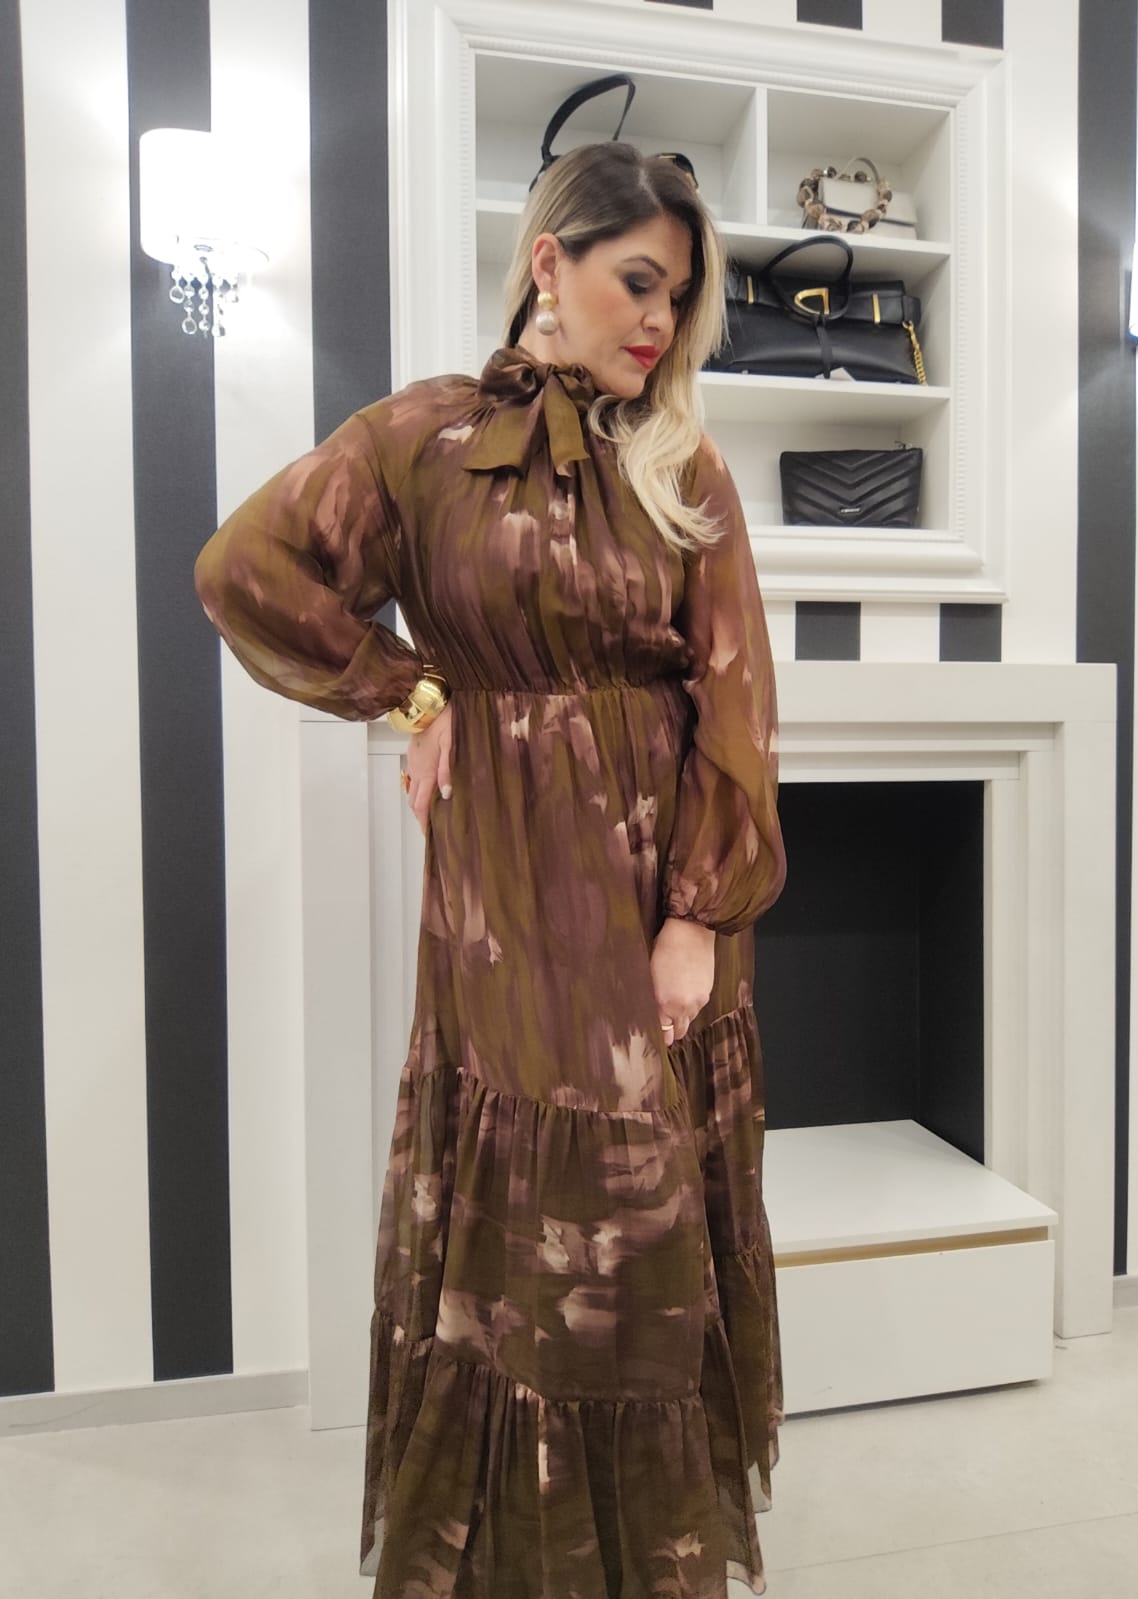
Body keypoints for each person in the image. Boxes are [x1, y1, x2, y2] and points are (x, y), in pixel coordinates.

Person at [194, 139, 787, 1598]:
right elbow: (245, 571)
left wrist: (698, 920)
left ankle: (643, 1564)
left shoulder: (682, 463)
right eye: (636, 281)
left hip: (654, 900)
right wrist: (411, 693)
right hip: (503, 908)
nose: (659, 321)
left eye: (679, 298)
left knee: (641, 1226)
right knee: (528, 1234)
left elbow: (737, 701)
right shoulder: (422, 440)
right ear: (548, 264)